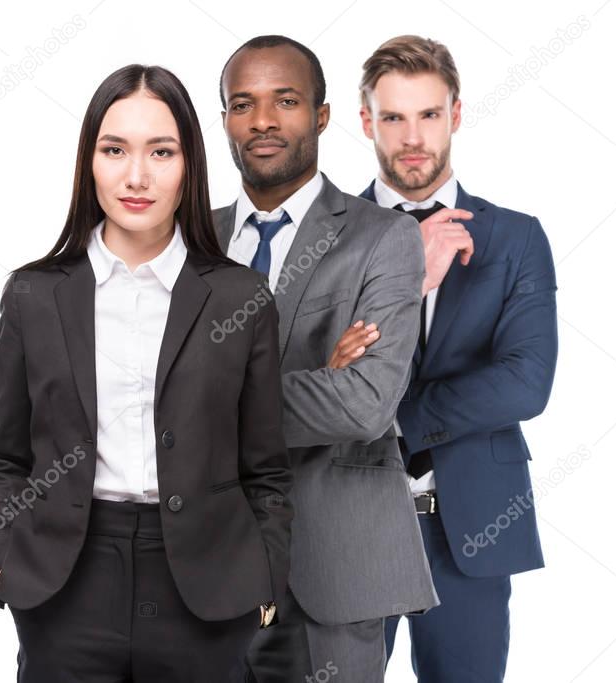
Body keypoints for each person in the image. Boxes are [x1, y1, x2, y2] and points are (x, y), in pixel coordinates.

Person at [0, 63, 293, 682]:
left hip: (206, 589)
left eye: (161, 151)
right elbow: (4, 456)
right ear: (89, 161)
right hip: (65, 585)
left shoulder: (239, 297)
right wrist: (1, 564)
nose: (136, 175)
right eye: (115, 149)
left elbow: (266, 470)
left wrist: (264, 582)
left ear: (189, 165)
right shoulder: (35, 294)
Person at [213, 35, 438, 683]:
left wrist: (206, 400)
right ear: (225, 119)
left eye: (285, 100)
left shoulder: (382, 237)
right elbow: (138, 388)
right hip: (205, 571)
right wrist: (317, 378)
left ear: (320, 114)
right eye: (242, 103)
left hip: (332, 572)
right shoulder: (189, 241)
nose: (261, 120)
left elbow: (366, 402)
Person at [356, 35, 559, 682]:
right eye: (393, 117)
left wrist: (398, 419)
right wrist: (404, 273)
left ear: (456, 114)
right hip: (346, 521)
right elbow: (303, 365)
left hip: (470, 523)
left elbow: (525, 383)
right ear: (366, 122)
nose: (412, 136)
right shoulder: (328, 237)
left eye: (428, 114)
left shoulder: (515, 238)